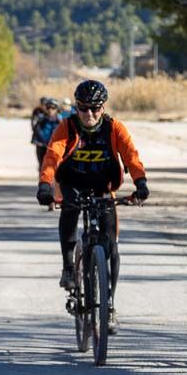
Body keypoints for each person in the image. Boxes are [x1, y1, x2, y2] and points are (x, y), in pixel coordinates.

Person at [36, 79, 149, 332]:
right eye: (84, 108)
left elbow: (131, 156)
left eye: (95, 108)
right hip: (72, 183)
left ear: (103, 107)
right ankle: (68, 266)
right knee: (69, 210)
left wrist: (140, 182)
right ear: (76, 107)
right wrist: (45, 185)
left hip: (102, 186)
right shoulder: (67, 126)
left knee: (113, 248)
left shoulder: (113, 127)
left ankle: (108, 306)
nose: (89, 114)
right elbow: (52, 156)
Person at [31, 97, 62, 168]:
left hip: (55, 147)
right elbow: (35, 129)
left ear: (57, 109)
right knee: (42, 166)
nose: (50, 110)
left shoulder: (62, 121)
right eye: (48, 107)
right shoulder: (40, 118)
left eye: (53, 107)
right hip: (42, 146)